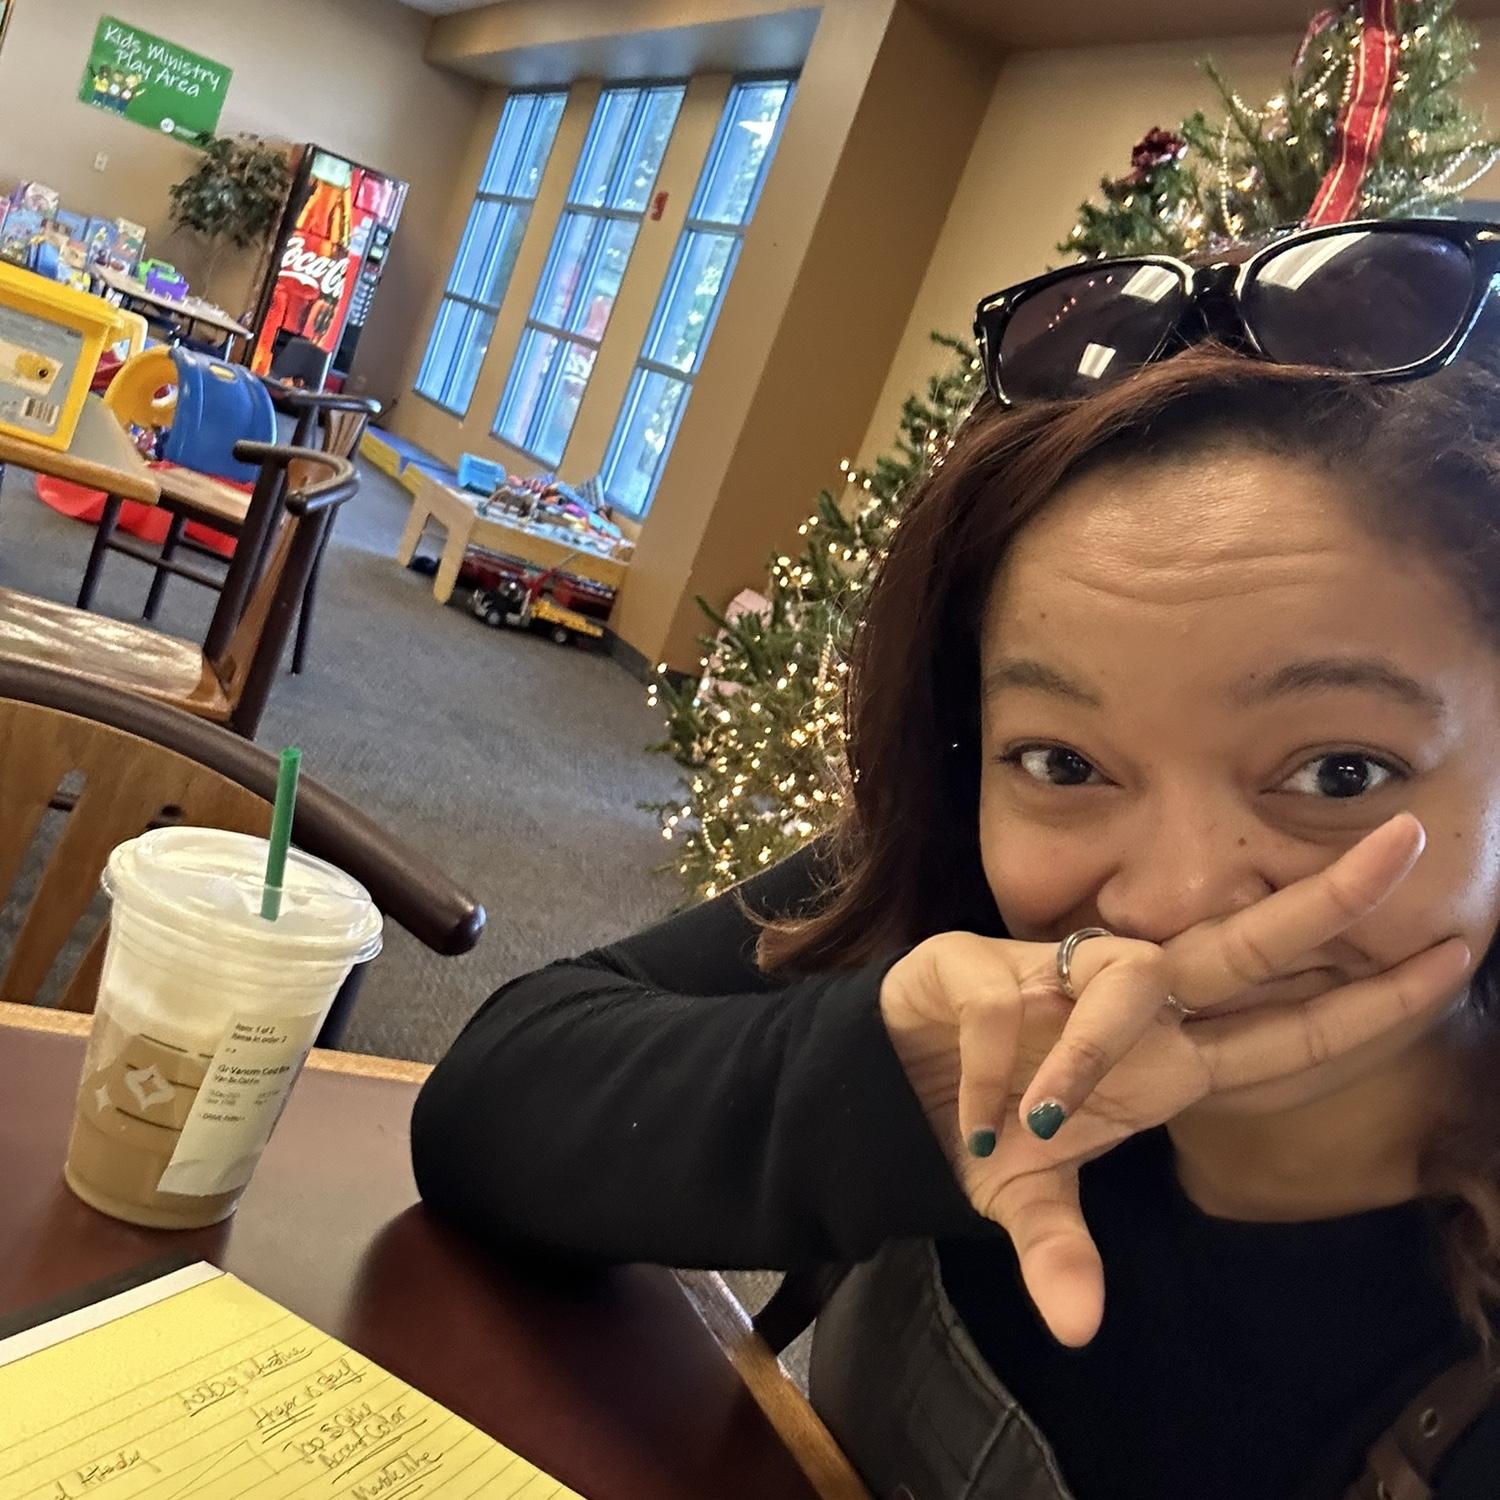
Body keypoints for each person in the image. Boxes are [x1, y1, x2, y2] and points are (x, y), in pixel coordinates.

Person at [412, 219, 1500, 1499]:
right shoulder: (961, 914)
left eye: (1339, 774)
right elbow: (491, 1105)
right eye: (1063, 761)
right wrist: (883, 1083)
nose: (1170, 900)